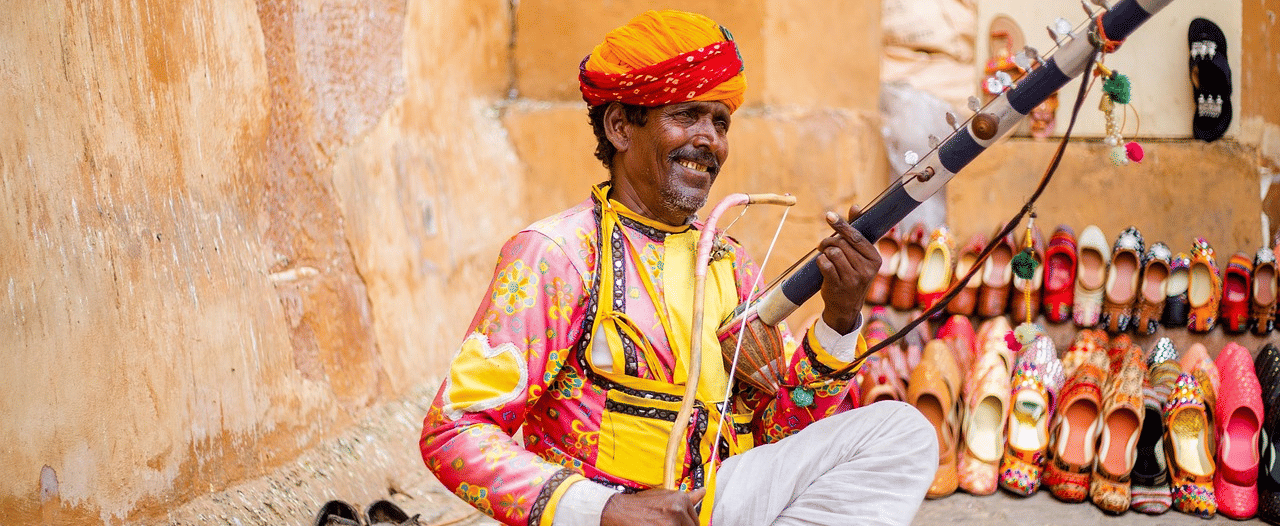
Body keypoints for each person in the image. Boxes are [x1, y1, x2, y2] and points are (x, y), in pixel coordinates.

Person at [420, 10, 937, 526]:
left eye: (720, 122)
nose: (710, 140)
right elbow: (453, 432)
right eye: (687, 115)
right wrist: (605, 509)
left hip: (714, 508)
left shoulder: (730, 264)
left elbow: (780, 435)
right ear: (620, 127)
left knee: (901, 432)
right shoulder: (556, 255)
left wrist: (839, 318)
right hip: (600, 519)